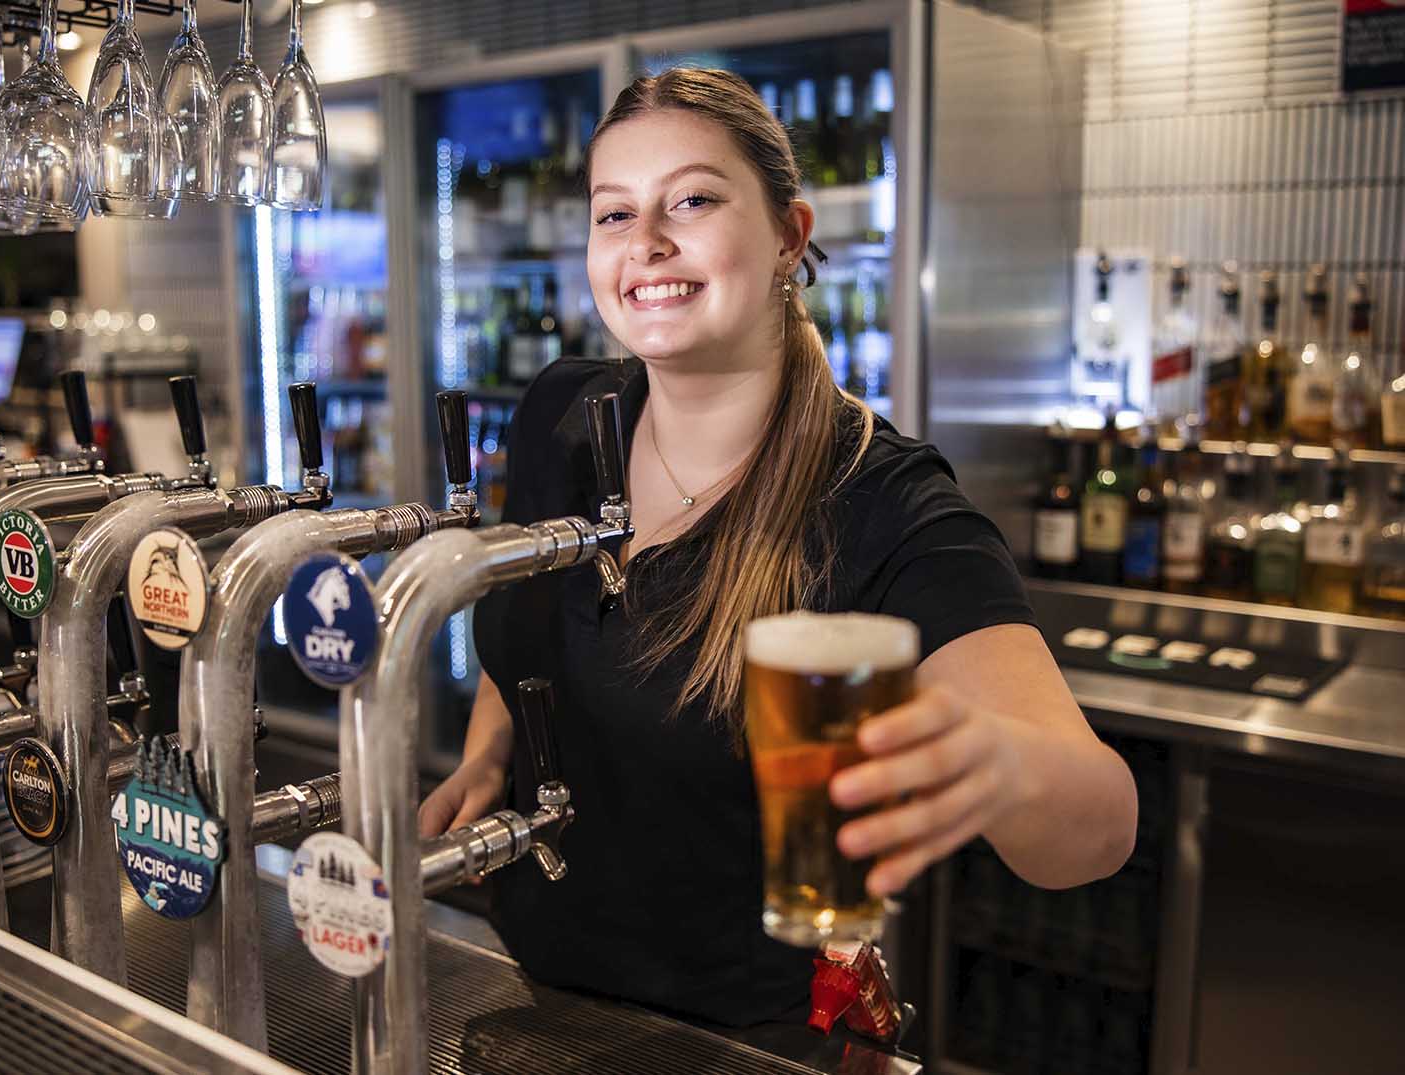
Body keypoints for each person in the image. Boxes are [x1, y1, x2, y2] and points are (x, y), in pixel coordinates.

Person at [419, 67, 1137, 1028]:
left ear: (790, 237)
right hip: (528, 998)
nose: (647, 244)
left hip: (739, 1043)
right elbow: (531, 633)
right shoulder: (563, 411)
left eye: (694, 200)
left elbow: (1099, 826)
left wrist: (994, 763)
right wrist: (488, 754)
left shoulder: (884, 499)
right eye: (613, 214)